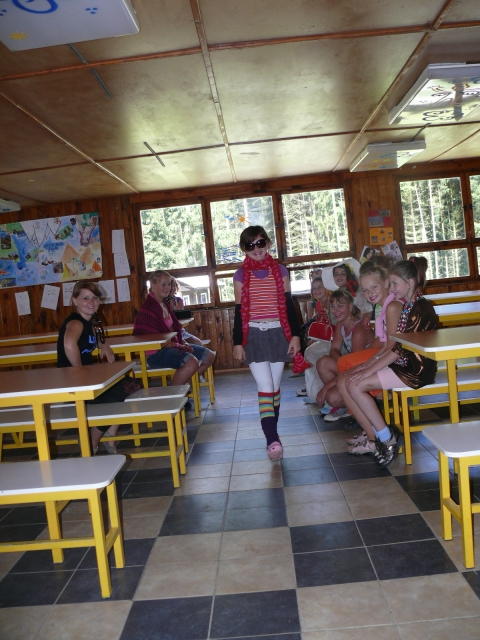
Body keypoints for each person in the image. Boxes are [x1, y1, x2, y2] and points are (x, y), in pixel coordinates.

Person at [337, 257, 437, 468]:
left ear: (409, 283)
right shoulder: (411, 305)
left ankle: (385, 438)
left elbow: (397, 348)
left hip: (414, 369)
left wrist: (367, 370)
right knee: (352, 381)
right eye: (390, 284)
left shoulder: (415, 307)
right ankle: (380, 436)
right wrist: (366, 366)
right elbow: (391, 347)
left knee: (355, 383)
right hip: (405, 364)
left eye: (394, 284)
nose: (391, 289)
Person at [232, 225, 301, 461]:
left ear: (268, 244)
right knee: (265, 386)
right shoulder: (240, 275)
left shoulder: (280, 271)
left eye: (260, 243)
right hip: (254, 335)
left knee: (275, 387)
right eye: (250, 245)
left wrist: (295, 335)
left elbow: (289, 305)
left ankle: (273, 433)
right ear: (243, 249)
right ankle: (272, 440)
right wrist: (237, 342)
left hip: (279, 333)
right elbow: (239, 310)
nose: (256, 248)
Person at [57, 282, 124, 455]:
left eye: (94, 297)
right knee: (118, 393)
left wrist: (104, 345)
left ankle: (108, 432)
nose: (91, 302)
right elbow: (69, 345)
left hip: (84, 380)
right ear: (75, 301)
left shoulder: (88, 322)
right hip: (72, 384)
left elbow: (93, 339)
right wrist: (79, 371)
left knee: (128, 386)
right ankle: (93, 440)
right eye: (85, 298)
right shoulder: (76, 322)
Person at [133, 270, 216, 387]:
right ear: (152, 285)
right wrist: (178, 345)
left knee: (209, 356)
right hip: (155, 353)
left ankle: (185, 387)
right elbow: (156, 340)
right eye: (163, 284)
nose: (167, 288)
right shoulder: (148, 308)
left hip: (171, 346)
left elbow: (173, 332)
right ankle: (175, 393)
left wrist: (183, 342)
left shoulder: (164, 304)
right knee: (192, 362)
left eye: (169, 284)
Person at [316, 289, 374, 420]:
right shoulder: (341, 325)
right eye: (332, 306)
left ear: (350, 307)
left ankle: (354, 407)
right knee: (323, 362)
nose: (335, 310)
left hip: (366, 370)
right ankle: (347, 401)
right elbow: (334, 349)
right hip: (353, 368)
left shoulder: (358, 330)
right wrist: (341, 362)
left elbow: (355, 367)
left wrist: (326, 387)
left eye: (340, 305)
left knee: (331, 397)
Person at [166, 277, 203, 346]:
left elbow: (181, 317)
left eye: (174, 285)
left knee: (198, 342)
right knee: (186, 346)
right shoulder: (162, 302)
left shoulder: (179, 300)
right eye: (171, 286)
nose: (173, 288)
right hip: (169, 332)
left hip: (180, 330)